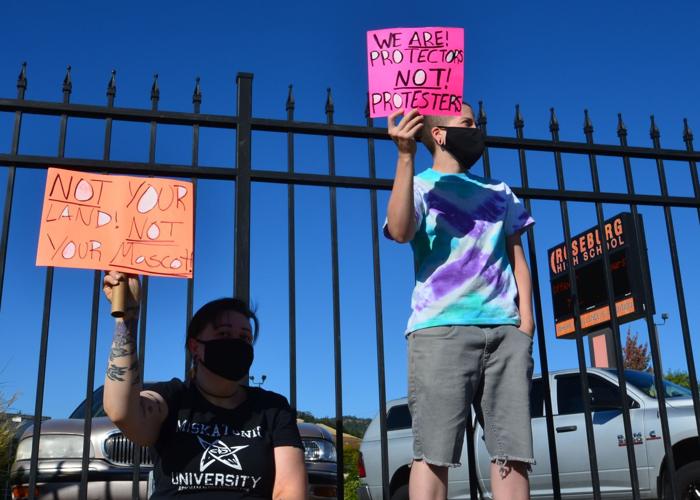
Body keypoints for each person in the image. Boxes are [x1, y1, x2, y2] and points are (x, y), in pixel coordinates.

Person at [385, 104, 536, 500]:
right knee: (433, 452)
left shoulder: (500, 192)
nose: (476, 130)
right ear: (438, 134)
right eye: (467, 123)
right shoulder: (419, 186)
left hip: (506, 332)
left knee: (512, 453)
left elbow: (517, 256)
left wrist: (526, 324)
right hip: (440, 331)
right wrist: (404, 156)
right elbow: (400, 232)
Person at [102, 271, 307, 499]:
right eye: (223, 333)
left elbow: (290, 490)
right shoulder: (172, 397)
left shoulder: (272, 408)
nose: (235, 343)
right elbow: (122, 411)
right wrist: (127, 319)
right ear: (195, 347)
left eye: (245, 338)